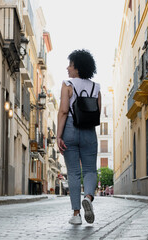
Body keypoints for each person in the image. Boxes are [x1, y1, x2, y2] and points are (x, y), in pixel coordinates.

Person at [57, 49, 101, 225]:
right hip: (89, 130)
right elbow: (96, 112)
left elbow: (63, 111)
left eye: (70, 64)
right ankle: (88, 198)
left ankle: (76, 215)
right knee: (90, 170)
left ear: (77, 67)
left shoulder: (67, 84)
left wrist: (58, 136)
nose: (68, 68)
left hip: (69, 128)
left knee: (74, 173)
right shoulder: (96, 87)